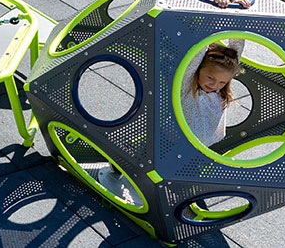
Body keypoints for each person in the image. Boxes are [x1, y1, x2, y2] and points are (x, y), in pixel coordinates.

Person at [95, 40, 245, 206]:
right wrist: (210, 30)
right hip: (172, 138)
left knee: (170, 169)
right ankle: (122, 165)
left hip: (196, 145)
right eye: (210, 77)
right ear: (198, 70)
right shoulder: (189, 87)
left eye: (222, 82)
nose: (214, 85)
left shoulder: (219, 92)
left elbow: (237, 51)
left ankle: (138, 173)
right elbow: (196, 54)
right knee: (148, 162)